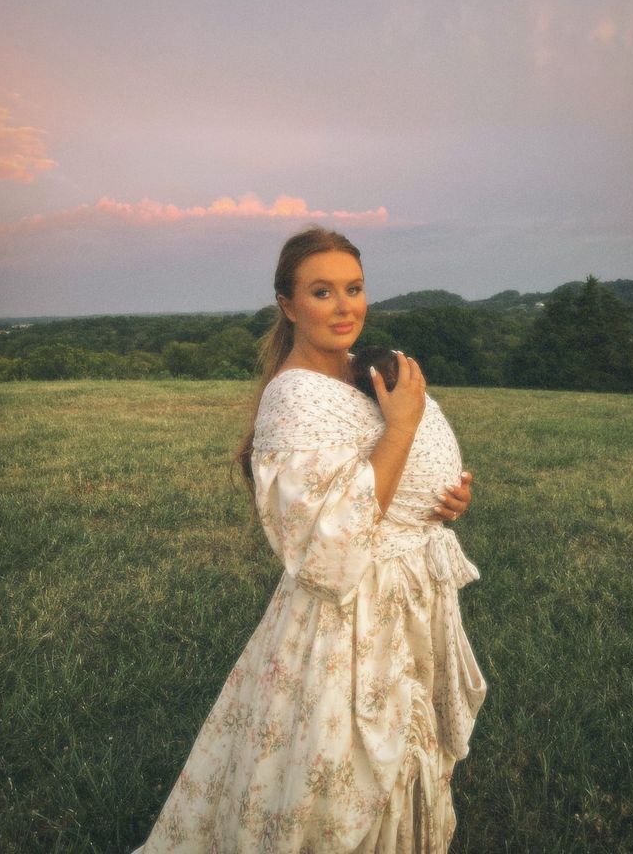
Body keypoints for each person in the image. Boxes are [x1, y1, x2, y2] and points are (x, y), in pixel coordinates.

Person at [131, 226, 487, 853]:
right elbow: (330, 547)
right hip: (350, 618)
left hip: (411, 592)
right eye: (322, 292)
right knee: (341, 771)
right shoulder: (292, 400)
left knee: (410, 748)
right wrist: (399, 430)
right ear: (287, 305)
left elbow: (398, 482)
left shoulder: (369, 370)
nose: (345, 305)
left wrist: (444, 501)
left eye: (354, 288)